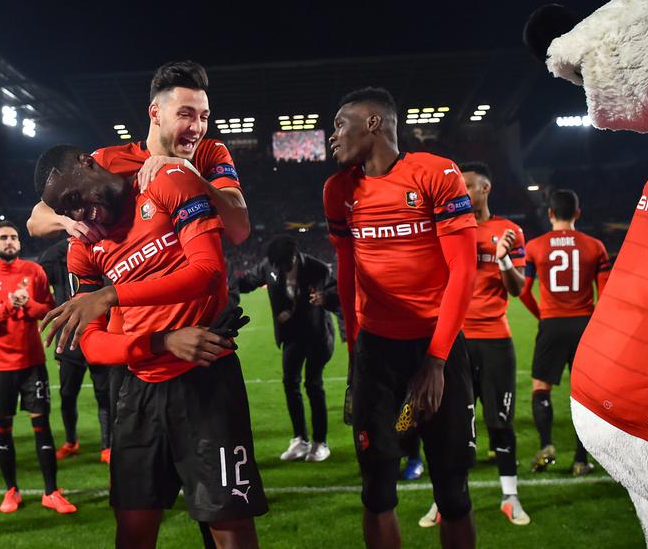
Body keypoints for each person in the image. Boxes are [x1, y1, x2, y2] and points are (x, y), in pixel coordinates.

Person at [36, 144, 268, 549]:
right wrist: (161, 342)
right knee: (132, 532)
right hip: (138, 393)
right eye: (66, 211)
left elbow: (208, 272)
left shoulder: (166, 182)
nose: (77, 214)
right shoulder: (85, 246)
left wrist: (112, 296)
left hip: (206, 383)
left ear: (87, 163)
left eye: (75, 198)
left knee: (229, 528)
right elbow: (92, 344)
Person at [323, 88, 477, 549]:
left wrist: (435, 361)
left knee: (453, 492)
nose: (332, 137)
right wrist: (355, 358)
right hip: (377, 354)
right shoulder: (338, 191)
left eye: (339, 125)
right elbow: (347, 276)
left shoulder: (435, 172)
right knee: (376, 491)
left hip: (437, 346)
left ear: (373, 123)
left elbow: (463, 269)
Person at [26, 61, 249, 247]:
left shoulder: (210, 153)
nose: (197, 127)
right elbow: (35, 220)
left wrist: (187, 173)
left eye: (203, 117)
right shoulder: (107, 161)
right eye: (185, 114)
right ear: (155, 113)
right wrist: (66, 222)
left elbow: (239, 229)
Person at [417, 161, 529, 527]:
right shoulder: (445, 230)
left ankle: (510, 497)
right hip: (455, 341)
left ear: (485, 189)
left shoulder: (509, 231)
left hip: (496, 341)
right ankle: (443, 499)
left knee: (500, 423)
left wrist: (503, 263)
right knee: (450, 426)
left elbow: (517, 289)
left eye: (467, 185)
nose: (460, 190)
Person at [0, 221, 76, 514]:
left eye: (14, 237)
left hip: (32, 363)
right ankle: (11, 491)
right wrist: (7, 306)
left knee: (42, 427)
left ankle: (51, 492)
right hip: (1, 366)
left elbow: (50, 309)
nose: (9, 241)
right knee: (3, 429)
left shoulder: (35, 272)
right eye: (3, 237)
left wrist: (28, 305)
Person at [519, 189, 611, 477]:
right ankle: (581, 460)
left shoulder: (535, 246)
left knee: (540, 388)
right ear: (577, 213)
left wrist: (542, 316)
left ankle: (547, 444)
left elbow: (522, 290)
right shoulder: (595, 246)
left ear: (549, 214)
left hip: (551, 324)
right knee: (582, 394)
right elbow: (606, 295)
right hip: (584, 324)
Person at [235, 235, 339, 462]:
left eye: (289, 261)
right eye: (281, 264)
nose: (286, 266)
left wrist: (325, 297)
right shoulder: (268, 266)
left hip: (317, 336)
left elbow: (337, 293)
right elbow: (249, 281)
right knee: (290, 383)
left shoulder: (317, 268)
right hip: (292, 336)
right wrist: (225, 285)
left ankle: (320, 443)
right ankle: (300, 440)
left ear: (296, 254)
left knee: (313, 384)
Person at [38, 237, 114, 463]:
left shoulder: (103, 258)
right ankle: (71, 441)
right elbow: (46, 259)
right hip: (69, 341)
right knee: (67, 395)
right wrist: (73, 238)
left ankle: (107, 446)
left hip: (100, 337)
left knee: (104, 396)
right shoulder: (61, 266)